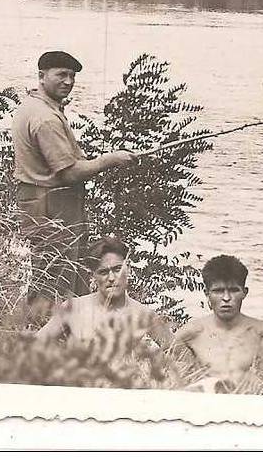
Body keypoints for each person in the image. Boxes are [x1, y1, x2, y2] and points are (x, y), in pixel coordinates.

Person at [11, 50, 135, 303]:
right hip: (52, 203)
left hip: (40, 199)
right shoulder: (45, 118)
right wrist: (110, 159)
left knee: (51, 272)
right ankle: (46, 333)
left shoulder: (34, 105)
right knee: (58, 276)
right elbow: (69, 173)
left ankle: (46, 330)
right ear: (41, 76)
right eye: (61, 75)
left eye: (72, 76)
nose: (68, 82)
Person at [36, 238, 173, 348]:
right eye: (103, 272)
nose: (112, 278)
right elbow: (34, 345)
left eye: (117, 269)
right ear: (93, 276)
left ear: (128, 269)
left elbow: (177, 351)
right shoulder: (74, 308)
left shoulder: (143, 314)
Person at [170, 255, 263, 389]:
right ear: (207, 293)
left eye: (233, 290)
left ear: (244, 292)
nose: (226, 298)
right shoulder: (191, 333)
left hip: (248, 404)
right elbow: (173, 375)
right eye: (218, 291)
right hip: (207, 405)